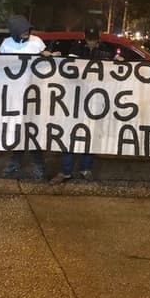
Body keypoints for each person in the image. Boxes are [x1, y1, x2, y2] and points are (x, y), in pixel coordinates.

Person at [49, 27, 124, 185]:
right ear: (85, 38)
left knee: (90, 134)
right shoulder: (76, 49)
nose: (91, 42)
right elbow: (69, 68)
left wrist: (118, 60)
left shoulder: (105, 50)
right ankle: (66, 171)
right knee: (70, 135)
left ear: (98, 39)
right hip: (75, 99)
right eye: (89, 39)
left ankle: (86, 168)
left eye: (93, 40)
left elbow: (114, 62)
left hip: (95, 99)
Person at [0, 15, 59, 180]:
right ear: (15, 32)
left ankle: (39, 165)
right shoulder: (6, 44)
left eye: (27, 29)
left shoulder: (37, 41)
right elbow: (1, 65)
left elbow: (45, 64)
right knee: (17, 131)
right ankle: (14, 163)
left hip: (35, 94)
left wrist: (50, 56)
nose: (26, 32)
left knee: (34, 131)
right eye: (23, 29)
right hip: (15, 95)